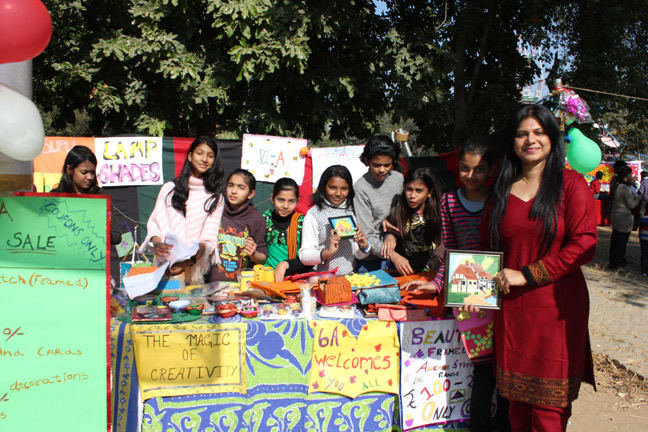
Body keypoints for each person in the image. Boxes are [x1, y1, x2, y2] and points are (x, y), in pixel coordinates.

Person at [481, 104, 597, 431]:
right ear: (512, 143)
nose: (530, 140)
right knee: (517, 406)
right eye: (522, 134)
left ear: (552, 138)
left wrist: (528, 274)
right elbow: (487, 249)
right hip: (512, 310)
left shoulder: (572, 185)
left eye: (539, 132)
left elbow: (584, 244)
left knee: (549, 411)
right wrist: (469, 289)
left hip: (557, 309)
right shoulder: (500, 190)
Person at [402, 139, 510, 432]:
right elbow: (449, 249)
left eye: (479, 169)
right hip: (465, 298)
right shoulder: (449, 201)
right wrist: (437, 284)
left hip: (502, 293)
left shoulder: (501, 198)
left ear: (491, 170)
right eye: (465, 168)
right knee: (483, 369)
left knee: (507, 367)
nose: (471, 175)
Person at [140, 136, 225, 284]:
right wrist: (158, 245)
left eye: (210, 156)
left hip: (193, 272)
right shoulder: (169, 189)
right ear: (190, 156)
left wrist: (187, 263)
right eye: (199, 153)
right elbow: (155, 224)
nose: (204, 159)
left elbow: (207, 240)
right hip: (163, 265)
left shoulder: (215, 198)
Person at [299, 165, 370, 275]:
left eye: (344, 189)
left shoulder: (353, 210)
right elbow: (304, 256)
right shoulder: (314, 214)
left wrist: (364, 246)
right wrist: (327, 252)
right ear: (324, 187)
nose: (338, 194)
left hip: (350, 277)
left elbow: (358, 255)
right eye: (332, 188)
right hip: (321, 278)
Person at [52, 145, 122, 246]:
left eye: (92, 172)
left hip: (93, 254)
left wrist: (93, 230)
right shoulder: (54, 197)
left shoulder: (101, 197)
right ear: (69, 169)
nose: (89, 177)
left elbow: (116, 237)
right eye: (84, 172)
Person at [380, 167, 445, 278]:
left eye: (419, 190)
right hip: (402, 273)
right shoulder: (396, 212)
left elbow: (444, 239)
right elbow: (390, 231)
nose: (412, 195)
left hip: (431, 274)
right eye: (409, 189)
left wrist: (438, 258)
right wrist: (389, 236)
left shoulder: (439, 213)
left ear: (430, 193)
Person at [353, 135, 403, 271]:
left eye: (387, 165)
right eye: (377, 165)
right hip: (372, 259)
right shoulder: (360, 188)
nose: (382, 170)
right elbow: (367, 233)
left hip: (402, 250)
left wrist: (391, 234)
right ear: (366, 161)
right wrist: (392, 255)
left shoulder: (399, 179)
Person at [208, 168, 267, 282]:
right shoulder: (215, 210)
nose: (234, 191)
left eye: (241, 187)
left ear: (251, 194)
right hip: (214, 284)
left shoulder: (257, 219)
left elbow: (262, 259)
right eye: (231, 185)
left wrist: (254, 254)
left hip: (242, 285)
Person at [263, 177, 311, 281]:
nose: (285, 206)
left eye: (291, 201)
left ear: (297, 201)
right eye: (280, 200)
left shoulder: (303, 223)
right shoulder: (264, 220)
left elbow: (309, 259)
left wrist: (287, 264)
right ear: (272, 198)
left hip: (293, 280)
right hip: (267, 278)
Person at [609, 165, 640, 270]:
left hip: (616, 215)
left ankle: (613, 263)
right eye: (631, 174)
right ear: (627, 175)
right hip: (624, 218)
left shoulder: (617, 185)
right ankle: (617, 264)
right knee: (621, 243)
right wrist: (638, 198)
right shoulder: (625, 188)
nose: (632, 176)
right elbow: (631, 204)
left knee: (615, 241)